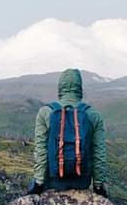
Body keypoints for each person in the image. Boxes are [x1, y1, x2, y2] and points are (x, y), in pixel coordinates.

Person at [27, 68, 108, 196]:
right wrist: (98, 185)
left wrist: (38, 182)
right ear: (80, 88)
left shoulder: (45, 112)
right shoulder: (93, 115)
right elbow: (99, 153)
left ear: (60, 88)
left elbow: (41, 150)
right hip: (82, 182)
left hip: (53, 182)